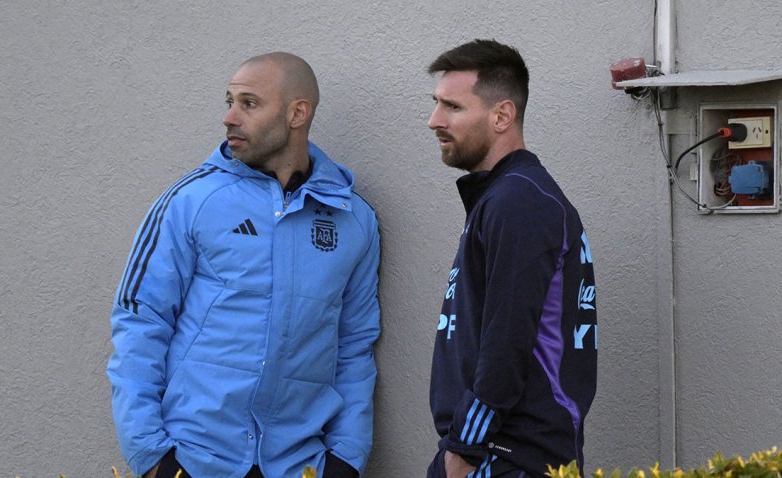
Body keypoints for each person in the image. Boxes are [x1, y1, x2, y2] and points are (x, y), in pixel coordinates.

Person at [106, 52, 381, 478]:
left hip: (299, 463)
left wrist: (346, 457)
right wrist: (151, 456)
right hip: (193, 459)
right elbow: (140, 322)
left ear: (297, 113)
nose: (229, 117)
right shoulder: (192, 201)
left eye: (248, 104)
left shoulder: (353, 218)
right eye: (229, 101)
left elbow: (355, 344)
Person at [424, 40, 598, 478]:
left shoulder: (519, 201)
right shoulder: (508, 197)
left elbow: (506, 345)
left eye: (452, 107)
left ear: (502, 115)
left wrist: (462, 451)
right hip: (499, 453)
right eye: (436, 104)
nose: (434, 121)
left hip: (505, 458)